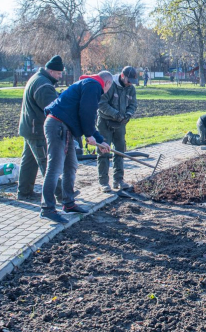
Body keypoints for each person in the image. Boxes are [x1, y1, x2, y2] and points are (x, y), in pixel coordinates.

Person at [40, 71, 112, 222]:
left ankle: (68, 203)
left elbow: (84, 116)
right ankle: (47, 208)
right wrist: (89, 135)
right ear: (107, 83)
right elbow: (87, 113)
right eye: (108, 88)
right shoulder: (93, 85)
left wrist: (100, 140)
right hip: (58, 126)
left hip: (65, 128)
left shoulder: (88, 84)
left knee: (71, 166)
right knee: (55, 168)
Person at [16, 55, 63, 201]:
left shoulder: (37, 78)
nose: (60, 77)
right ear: (51, 71)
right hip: (36, 129)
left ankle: (24, 192)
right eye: (58, 73)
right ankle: (61, 193)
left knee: (29, 161)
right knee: (46, 162)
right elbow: (52, 107)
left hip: (28, 127)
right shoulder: (44, 85)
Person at [97, 66, 139, 193]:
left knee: (120, 151)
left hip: (120, 124)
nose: (130, 83)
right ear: (122, 76)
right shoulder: (109, 85)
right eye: (129, 80)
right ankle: (103, 182)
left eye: (132, 81)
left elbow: (133, 104)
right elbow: (101, 104)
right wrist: (116, 114)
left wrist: (128, 114)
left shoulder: (131, 88)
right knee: (104, 151)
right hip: (105, 122)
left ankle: (118, 179)